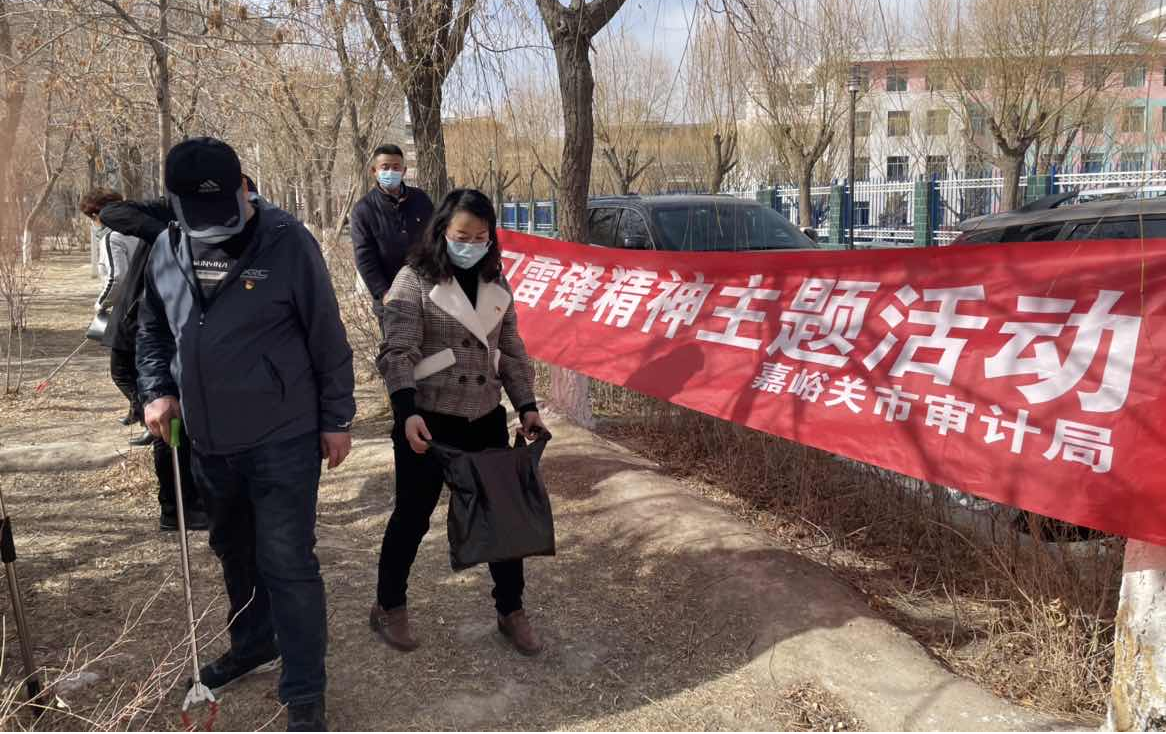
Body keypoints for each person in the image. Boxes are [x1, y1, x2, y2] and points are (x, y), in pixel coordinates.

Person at [136, 137, 355, 733]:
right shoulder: (166, 246)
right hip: (207, 440)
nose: (211, 223)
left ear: (243, 187)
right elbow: (151, 331)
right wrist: (156, 391)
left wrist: (337, 418)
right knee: (233, 550)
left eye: (221, 206)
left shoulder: (287, 242)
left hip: (282, 436)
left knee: (287, 562)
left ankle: (304, 690)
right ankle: (254, 642)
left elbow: (326, 334)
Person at [372, 189, 548, 657]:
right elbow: (398, 350)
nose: (470, 245)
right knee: (412, 516)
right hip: (428, 419)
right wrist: (406, 411)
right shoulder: (413, 280)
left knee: (502, 517)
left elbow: (511, 350)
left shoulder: (497, 281)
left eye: (480, 237)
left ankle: (511, 609)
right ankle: (389, 605)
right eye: (461, 236)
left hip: (484, 416)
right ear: (442, 232)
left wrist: (526, 405)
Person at [80, 189, 144, 436]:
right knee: (139, 366)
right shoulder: (139, 231)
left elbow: (118, 277)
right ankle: (136, 411)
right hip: (146, 307)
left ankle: (147, 418)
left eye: (92, 217)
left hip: (128, 311)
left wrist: (101, 303)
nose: (94, 223)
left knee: (121, 371)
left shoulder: (113, 237)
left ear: (99, 215)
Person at [350, 144, 434, 332]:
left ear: (404, 170)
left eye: (396, 167)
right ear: (374, 171)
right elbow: (365, 258)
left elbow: (436, 239)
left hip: (427, 294)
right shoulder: (364, 210)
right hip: (391, 299)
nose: (391, 172)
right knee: (398, 347)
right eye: (385, 167)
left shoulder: (421, 199)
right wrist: (384, 293)